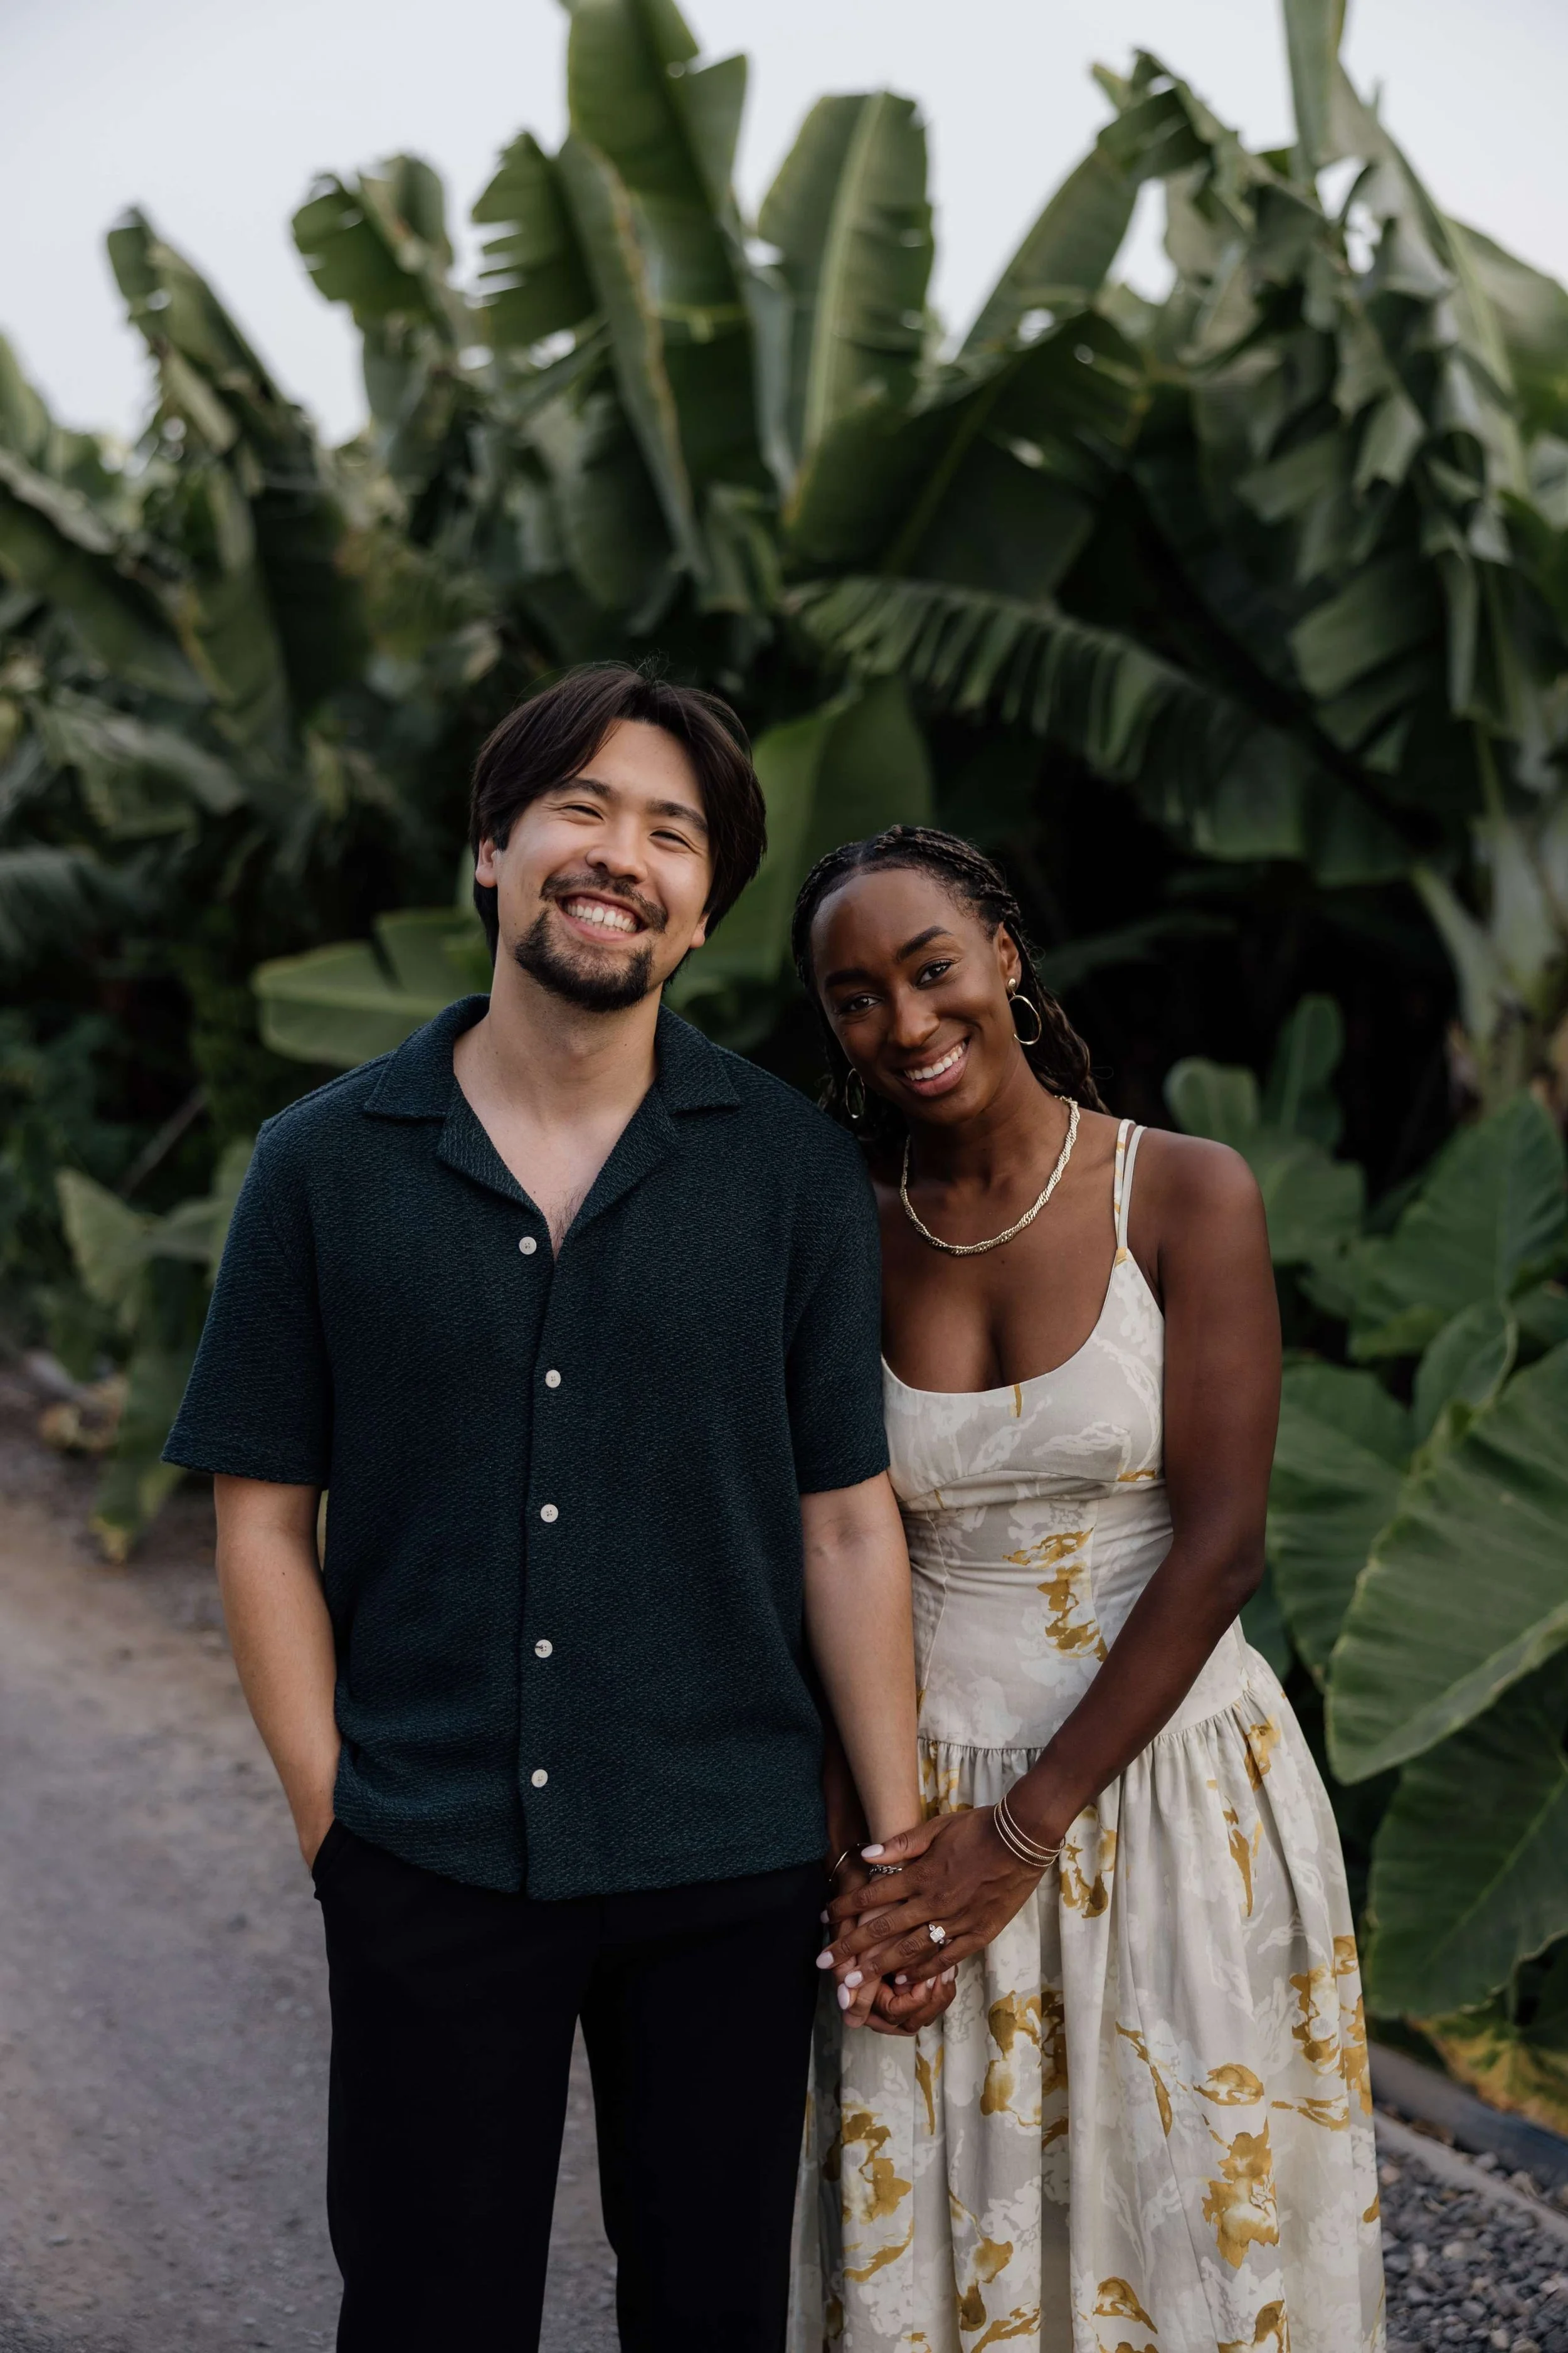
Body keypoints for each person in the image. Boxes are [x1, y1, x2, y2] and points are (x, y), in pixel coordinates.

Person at [163, 664, 924, 2353]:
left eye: (670, 831)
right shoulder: (323, 1161)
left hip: (730, 1863)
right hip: (428, 1846)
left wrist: (894, 1843)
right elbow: (261, 1517)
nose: (620, 853)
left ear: (705, 904)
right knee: (429, 2311)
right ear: (492, 848)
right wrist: (334, 1825)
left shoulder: (789, 1169)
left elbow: (846, 1518)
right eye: (581, 806)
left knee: (714, 2312)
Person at [787, 827, 1384, 2353]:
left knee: (1180, 2235)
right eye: (857, 1000)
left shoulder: (1179, 1193)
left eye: (930, 970)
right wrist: (869, 1836)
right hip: (921, 1799)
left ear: (1001, 951)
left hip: (1170, 1791)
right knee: (944, 2246)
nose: (907, 1025)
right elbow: (838, 1538)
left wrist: (1023, 1832)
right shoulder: (837, 1229)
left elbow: (1220, 1544)